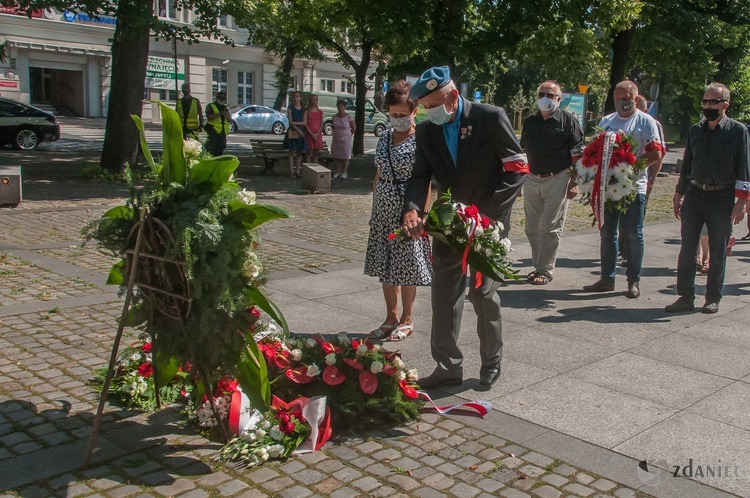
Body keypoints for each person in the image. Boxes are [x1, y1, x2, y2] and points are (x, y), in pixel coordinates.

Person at [402, 66, 528, 389]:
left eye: (433, 105)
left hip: (487, 226)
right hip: (448, 227)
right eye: (425, 107)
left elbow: (517, 167)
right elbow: (420, 175)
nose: (429, 113)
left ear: (453, 96)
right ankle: (447, 365)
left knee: (484, 294)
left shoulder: (490, 117)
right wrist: (413, 210)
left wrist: (487, 216)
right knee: (444, 297)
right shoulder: (428, 131)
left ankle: (491, 362)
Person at [665, 82, 750, 314]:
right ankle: (685, 296)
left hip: (721, 196)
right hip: (694, 193)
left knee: (718, 249)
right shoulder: (695, 130)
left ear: (725, 104)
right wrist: (679, 193)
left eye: (713, 102)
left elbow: (744, 168)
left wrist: (741, 202)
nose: (708, 106)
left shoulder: (737, 131)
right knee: (687, 247)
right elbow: (687, 165)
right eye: (705, 101)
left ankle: (712, 297)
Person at [582, 81, 664, 299]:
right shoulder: (607, 121)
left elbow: (656, 154)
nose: (622, 102)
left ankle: (633, 280)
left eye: (627, 98)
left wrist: (629, 169)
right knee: (607, 233)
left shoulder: (646, 122)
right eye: (618, 98)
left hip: (632, 187)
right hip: (608, 187)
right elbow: (594, 151)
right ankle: (607, 278)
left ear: (635, 99)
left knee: (632, 234)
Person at [364, 80, 432, 342]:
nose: (398, 119)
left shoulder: (421, 139)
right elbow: (379, 174)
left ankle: (407, 318)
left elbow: (425, 181)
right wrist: (374, 209)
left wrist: (421, 216)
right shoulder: (383, 138)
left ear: (415, 110)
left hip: (408, 209)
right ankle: (390, 317)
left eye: (403, 115)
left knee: (407, 266)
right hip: (383, 207)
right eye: (393, 115)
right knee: (386, 265)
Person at [520, 80, 583, 285]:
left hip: (558, 178)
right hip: (531, 179)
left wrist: (575, 182)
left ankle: (545, 270)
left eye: (550, 95)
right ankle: (538, 265)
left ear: (559, 99)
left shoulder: (568, 121)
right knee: (531, 227)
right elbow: (521, 152)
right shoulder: (530, 122)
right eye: (541, 94)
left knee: (550, 227)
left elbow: (578, 155)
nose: (545, 98)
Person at [619, 95, 667, 267]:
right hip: (620, 180)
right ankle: (622, 249)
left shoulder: (651, 124)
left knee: (634, 222)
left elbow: (659, 155)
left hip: (640, 179)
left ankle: (627, 253)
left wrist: (652, 178)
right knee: (621, 220)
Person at [204, 91, 235, 157]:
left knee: (220, 149)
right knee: (211, 149)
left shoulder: (225, 108)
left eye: (223, 99)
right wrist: (219, 114)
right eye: (220, 98)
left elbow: (230, 120)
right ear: (217, 98)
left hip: (222, 132)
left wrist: (226, 114)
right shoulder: (211, 106)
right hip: (213, 131)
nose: (222, 100)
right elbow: (209, 117)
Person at [284, 91, 307, 179]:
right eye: (294, 96)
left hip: (301, 130)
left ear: (300, 98)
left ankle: (297, 171)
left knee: (299, 152)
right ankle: (291, 171)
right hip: (293, 131)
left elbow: (304, 122)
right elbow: (290, 123)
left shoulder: (303, 110)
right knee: (291, 152)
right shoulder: (290, 108)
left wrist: (296, 124)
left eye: (297, 96)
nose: (295, 98)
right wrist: (298, 130)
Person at [330, 99, 355, 179]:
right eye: (339, 107)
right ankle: (338, 171)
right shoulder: (334, 117)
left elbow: (354, 127)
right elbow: (333, 126)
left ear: (345, 107)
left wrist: (350, 134)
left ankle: (344, 172)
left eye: (342, 107)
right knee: (337, 155)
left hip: (345, 139)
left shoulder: (349, 117)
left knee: (345, 155)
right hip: (336, 138)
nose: (340, 108)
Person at [304, 94, 324, 164]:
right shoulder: (307, 111)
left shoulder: (320, 112)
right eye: (313, 100)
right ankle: (308, 168)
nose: (314, 101)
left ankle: (315, 167)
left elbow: (321, 124)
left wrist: (317, 133)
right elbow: (305, 124)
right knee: (309, 152)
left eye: (316, 100)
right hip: (310, 134)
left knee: (316, 152)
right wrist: (312, 134)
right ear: (310, 100)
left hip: (317, 134)